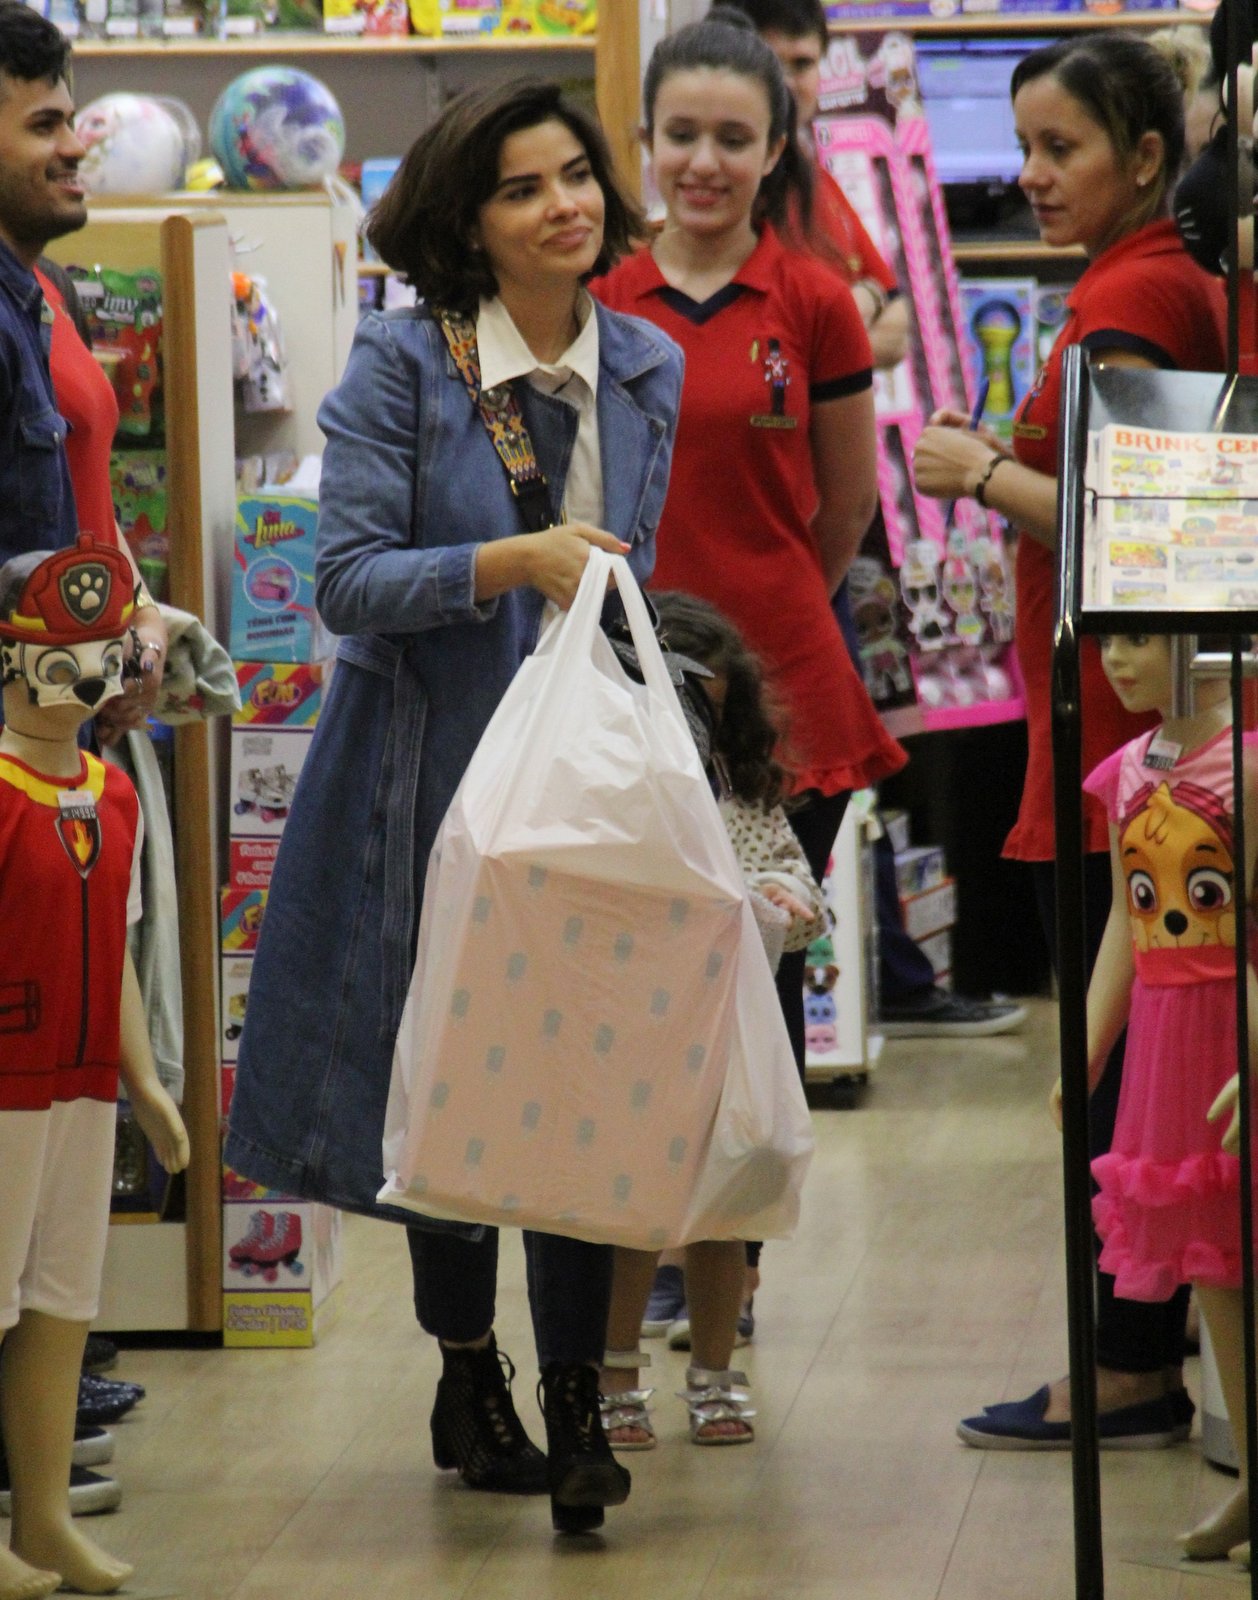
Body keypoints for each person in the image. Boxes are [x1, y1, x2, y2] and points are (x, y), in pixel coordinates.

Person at [223, 79, 683, 1537]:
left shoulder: (646, 364)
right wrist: (507, 565)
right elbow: (341, 582)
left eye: (577, 176)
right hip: (418, 781)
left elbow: (632, 589)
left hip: (583, 785)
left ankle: (573, 1403)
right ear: (465, 224)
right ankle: (468, 1370)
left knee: (571, 1080)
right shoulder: (403, 366)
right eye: (522, 186)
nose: (566, 204)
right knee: (433, 1092)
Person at [910, 32, 1228, 1448]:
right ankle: (1149, 1348)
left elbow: (1143, 529)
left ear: (1146, 158)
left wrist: (978, 470)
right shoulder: (1153, 281)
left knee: (1131, 1056)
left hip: (1131, 737)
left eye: (1063, 150)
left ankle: (1126, 1358)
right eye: (1024, 148)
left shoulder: (1130, 297)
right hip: (1143, 729)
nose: (1030, 177)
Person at [724, 0, 1027, 1042]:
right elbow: (855, 326)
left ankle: (875, 979)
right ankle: (845, 988)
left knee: (849, 758)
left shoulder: (810, 188)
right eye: (779, 60)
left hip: (832, 528)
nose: (798, 81)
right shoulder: (712, 203)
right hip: (743, 539)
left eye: (807, 63)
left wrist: (825, 322)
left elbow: (888, 324)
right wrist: (837, 321)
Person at [0, 537, 188, 1600]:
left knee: (62, 1296)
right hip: (5, 1081)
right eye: (63, 653)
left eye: (107, 653)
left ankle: (44, 1516)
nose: (92, 677)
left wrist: (149, 1085)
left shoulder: (112, 796)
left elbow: (113, 941)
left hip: (80, 1083)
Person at [600, 592, 826, 1451]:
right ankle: (616, 1372)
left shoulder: (743, 796)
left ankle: (713, 1374)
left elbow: (798, 889)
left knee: (724, 1209)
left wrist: (783, 902)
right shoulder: (618, 793)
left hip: (730, 1036)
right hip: (641, 1034)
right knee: (629, 1213)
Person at [1061, 633, 1257, 1565]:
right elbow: (1122, 922)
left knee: (1244, 1260)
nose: (1118, 662)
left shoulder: (1250, 770)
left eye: (1146, 642)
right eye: (1115, 642)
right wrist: (1087, 1046)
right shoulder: (1124, 774)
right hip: (1167, 1047)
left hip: (1236, 1030)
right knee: (1216, 1273)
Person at [0, 2, 166, 724]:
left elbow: (82, 489)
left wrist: (141, 611)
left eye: (71, 120)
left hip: (67, 704)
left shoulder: (46, 293)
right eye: (44, 126)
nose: (75, 147)